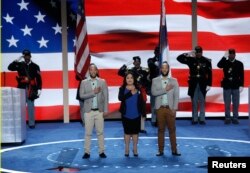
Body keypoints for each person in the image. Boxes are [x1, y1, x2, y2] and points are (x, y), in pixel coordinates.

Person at [151, 61, 181, 156]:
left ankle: (174, 150)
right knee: (161, 130)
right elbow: (154, 93)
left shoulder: (174, 80)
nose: (164, 69)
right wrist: (165, 90)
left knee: (172, 130)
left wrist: (175, 108)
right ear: (161, 69)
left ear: (168, 69)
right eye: (163, 68)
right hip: (160, 109)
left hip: (170, 109)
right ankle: (160, 150)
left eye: (166, 68)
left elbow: (176, 96)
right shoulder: (155, 80)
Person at [79, 63, 109, 159]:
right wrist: (93, 93)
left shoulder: (102, 81)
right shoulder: (84, 82)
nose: (92, 71)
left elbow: (106, 96)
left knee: (100, 132)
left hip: (99, 111)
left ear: (97, 71)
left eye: (94, 70)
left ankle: (101, 152)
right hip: (88, 111)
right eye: (91, 70)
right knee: (88, 133)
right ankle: (87, 152)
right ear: (89, 71)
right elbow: (81, 96)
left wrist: (105, 109)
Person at [176, 46, 212, 125]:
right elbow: (179, 58)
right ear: (195, 53)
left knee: (202, 101)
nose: (198, 53)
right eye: (197, 52)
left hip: (203, 83)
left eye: (199, 52)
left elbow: (210, 74)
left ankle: (202, 118)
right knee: (194, 102)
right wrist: (188, 53)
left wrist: (209, 84)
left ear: (202, 52)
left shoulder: (206, 61)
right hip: (193, 83)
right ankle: (195, 118)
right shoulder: (191, 60)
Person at [8, 49, 42, 129]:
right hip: (21, 87)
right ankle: (20, 123)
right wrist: (17, 60)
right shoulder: (19, 65)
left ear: (30, 56)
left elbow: (39, 79)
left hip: (31, 89)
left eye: (27, 55)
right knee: (20, 107)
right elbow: (10, 67)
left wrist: (39, 89)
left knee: (30, 106)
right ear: (23, 56)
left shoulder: (35, 66)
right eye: (24, 55)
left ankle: (31, 123)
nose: (26, 57)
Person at [118, 71, 146, 157]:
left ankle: (135, 149)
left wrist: (143, 113)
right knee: (127, 133)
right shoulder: (122, 88)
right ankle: (126, 149)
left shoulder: (139, 89)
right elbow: (120, 98)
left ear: (134, 79)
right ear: (125, 79)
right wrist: (130, 93)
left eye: (131, 78)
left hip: (136, 115)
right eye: (128, 78)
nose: (129, 79)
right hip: (126, 114)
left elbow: (142, 102)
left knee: (135, 133)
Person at [118, 56, 148, 133]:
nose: (137, 62)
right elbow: (120, 72)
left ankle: (142, 127)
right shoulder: (130, 71)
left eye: (138, 61)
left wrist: (143, 85)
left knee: (142, 108)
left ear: (140, 62)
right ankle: (132, 125)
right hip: (131, 91)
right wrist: (127, 64)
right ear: (133, 62)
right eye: (135, 61)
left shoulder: (145, 70)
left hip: (141, 91)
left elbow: (148, 80)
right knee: (132, 107)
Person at [217, 49, 244, 124]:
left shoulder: (239, 64)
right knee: (227, 103)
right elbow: (219, 65)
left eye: (232, 54)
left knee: (236, 103)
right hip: (227, 85)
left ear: (235, 55)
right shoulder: (225, 62)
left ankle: (235, 117)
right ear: (228, 55)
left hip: (236, 85)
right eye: (230, 54)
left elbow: (242, 75)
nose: (231, 55)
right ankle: (227, 117)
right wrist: (224, 57)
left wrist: (241, 85)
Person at [147, 46, 160, 127]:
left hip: (162, 85)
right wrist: (156, 63)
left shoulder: (164, 61)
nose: (158, 53)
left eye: (159, 52)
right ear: (154, 52)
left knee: (161, 103)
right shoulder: (151, 60)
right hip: (153, 84)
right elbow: (150, 64)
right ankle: (154, 119)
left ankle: (160, 119)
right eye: (157, 51)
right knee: (153, 103)